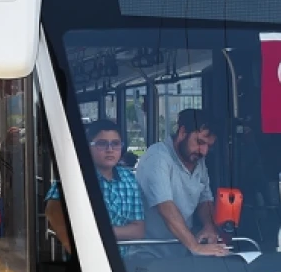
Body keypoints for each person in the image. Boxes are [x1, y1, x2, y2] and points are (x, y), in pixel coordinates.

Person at [135, 108, 228, 256]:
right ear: (182, 132)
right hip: (149, 252)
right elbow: (166, 207)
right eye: (199, 142)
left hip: (181, 251)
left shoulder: (198, 160)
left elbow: (205, 198)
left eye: (208, 146)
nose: (203, 151)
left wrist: (209, 226)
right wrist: (195, 247)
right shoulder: (157, 158)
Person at [45, 120, 144, 254]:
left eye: (115, 144)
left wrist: (95, 231)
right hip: (86, 261)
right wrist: (76, 251)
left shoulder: (129, 178)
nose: (110, 149)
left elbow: (138, 230)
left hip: (123, 264)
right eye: (102, 144)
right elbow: (53, 211)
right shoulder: (75, 174)